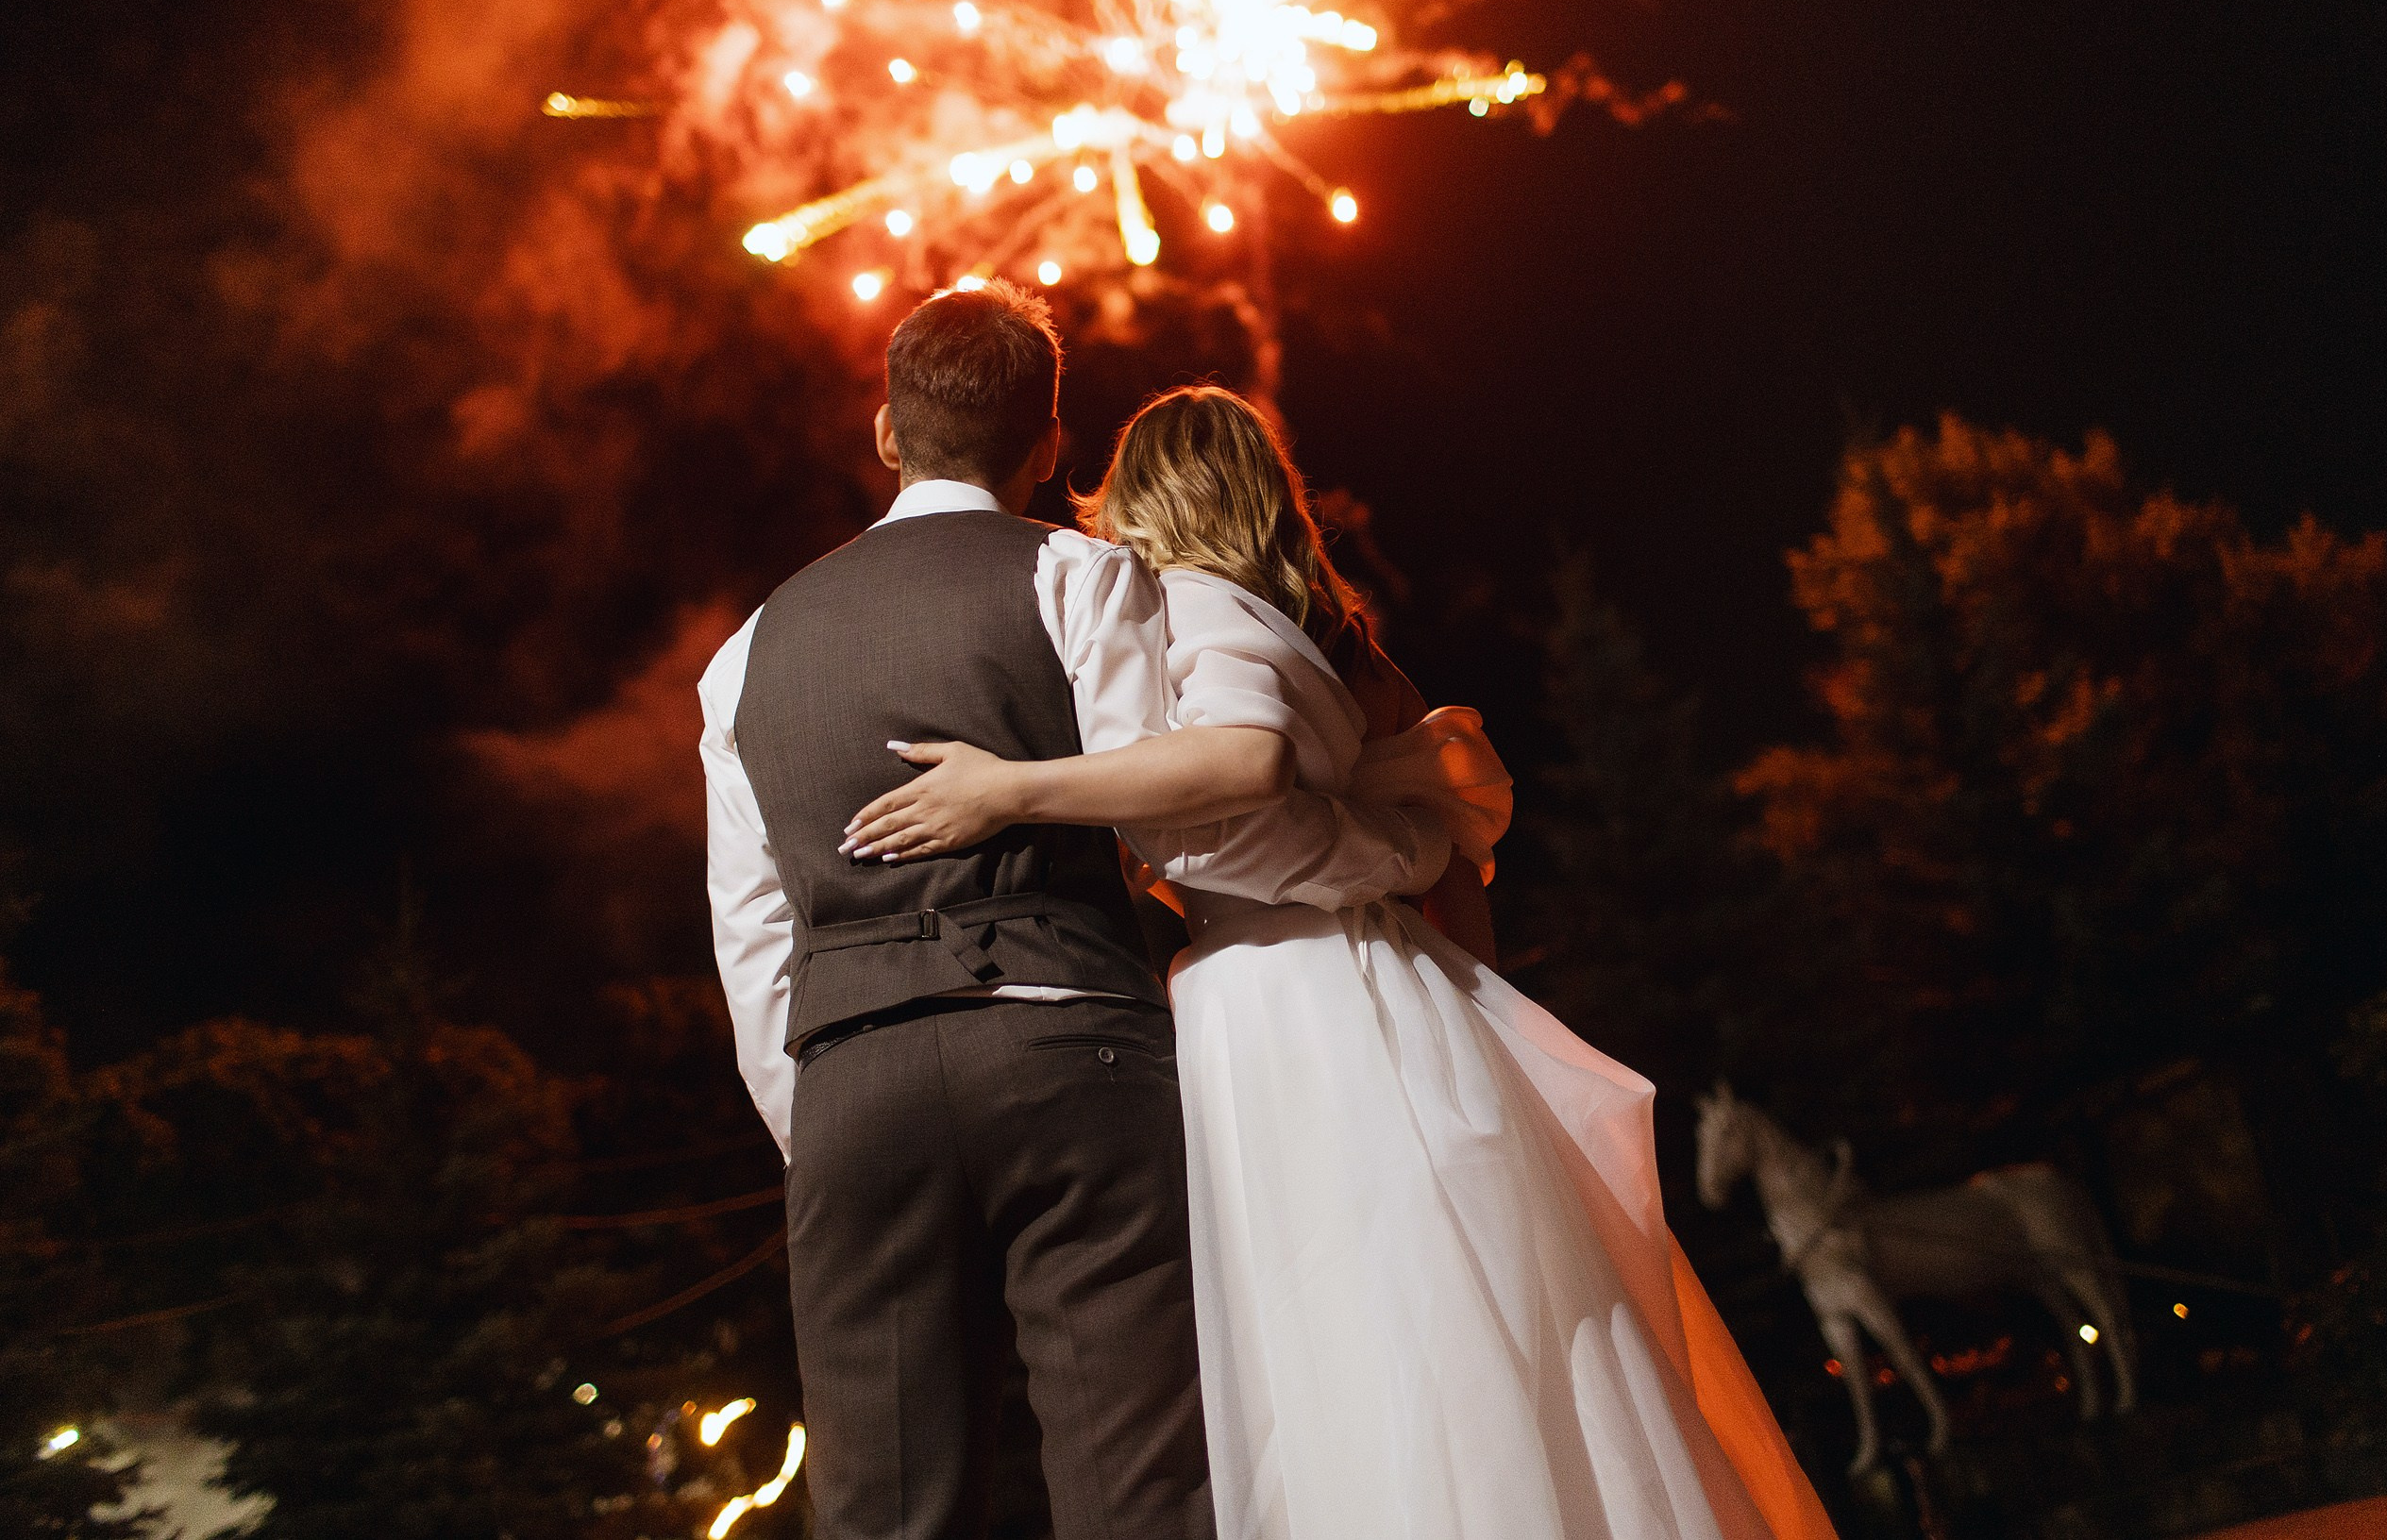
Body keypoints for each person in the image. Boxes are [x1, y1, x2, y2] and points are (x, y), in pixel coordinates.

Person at [843, 386, 1840, 1540]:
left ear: (1150, 497)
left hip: (1273, 1005)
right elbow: (1452, 882)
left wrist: (1022, 795)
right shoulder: (1350, 652)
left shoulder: (1184, 616)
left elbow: (1226, 815)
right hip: (1396, 991)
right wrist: (1464, 1013)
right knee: (1466, 1317)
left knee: (1332, 1331)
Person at [698, 290, 1456, 1540]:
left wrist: (824, 1111)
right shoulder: (1080, 572)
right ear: (1050, 447)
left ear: (886, 431)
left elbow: (755, 943)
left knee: (884, 1510)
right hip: (1073, 1054)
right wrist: (1393, 854)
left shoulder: (745, 654)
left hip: (852, 1080)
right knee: (1137, 1484)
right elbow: (1179, 826)